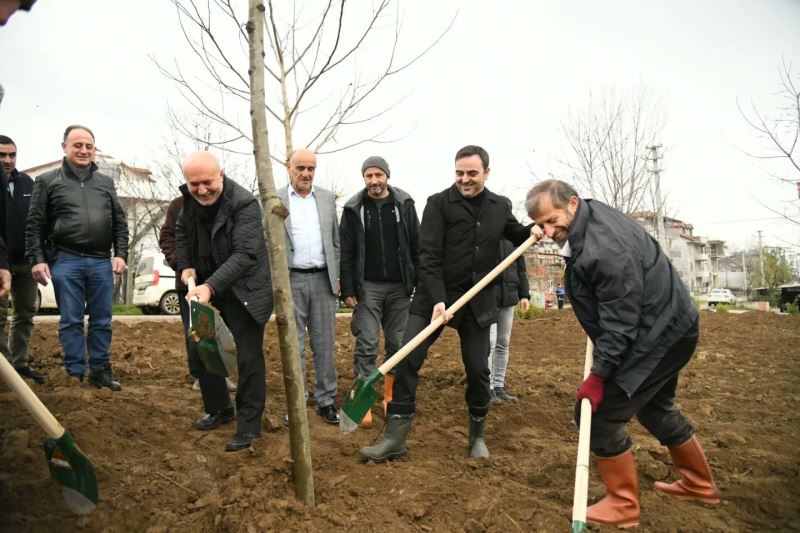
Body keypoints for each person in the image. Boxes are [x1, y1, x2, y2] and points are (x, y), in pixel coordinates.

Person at [526, 179, 720, 528]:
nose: (549, 231)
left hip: (655, 336)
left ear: (572, 203)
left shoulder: (603, 250)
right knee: (655, 407)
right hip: (670, 324)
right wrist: (547, 227)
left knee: (598, 415)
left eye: (553, 221)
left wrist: (599, 377)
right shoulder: (589, 215)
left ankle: (623, 504)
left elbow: (620, 324)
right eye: (541, 225)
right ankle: (699, 483)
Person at [359, 145, 542, 463]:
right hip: (434, 297)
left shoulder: (499, 206)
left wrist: (532, 230)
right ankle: (394, 439)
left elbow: (514, 232)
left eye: (472, 173)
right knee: (408, 359)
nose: (465, 179)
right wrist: (440, 299)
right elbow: (428, 256)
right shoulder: (438, 204)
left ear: (486, 172)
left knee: (477, 369)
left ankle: (478, 436)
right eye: (460, 173)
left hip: (477, 301)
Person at [175, 151, 273, 452]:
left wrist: (210, 287)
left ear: (221, 175)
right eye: (194, 184)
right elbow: (181, 232)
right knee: (202, 345)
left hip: (244, 289)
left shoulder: (243, 204)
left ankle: (249, 424)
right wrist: (186, 265)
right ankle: (219, 408)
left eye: (207, 182)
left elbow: (246, 254)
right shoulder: (189, 202)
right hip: (205, 282)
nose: (201, 190)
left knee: (247, 356)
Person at [26, 125, 128, 390]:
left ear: (94, 149)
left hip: (100, 261)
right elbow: (35, 224)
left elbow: (119, 221)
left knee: (102, 320)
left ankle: (100, 371)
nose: (84, 150)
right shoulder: (47, 181)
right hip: (66, 260)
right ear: (64, 147)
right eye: (78, 145)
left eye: (89, 146)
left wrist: (121, 254)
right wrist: (37, 258)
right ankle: (74, 373)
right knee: (71, 320)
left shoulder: (106, 183)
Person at [339, 156, 420, 426]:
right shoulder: (353, 209)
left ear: (387, 176)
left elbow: (416, 245)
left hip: (400, 287)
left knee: (398, 344)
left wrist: (419, 282)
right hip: (367, 287)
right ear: (364, 178)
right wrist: (348, 288)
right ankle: (362, 400)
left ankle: (390, 397)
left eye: (378, 175)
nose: (374, 181)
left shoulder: (404, 205)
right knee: (367, 343)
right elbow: (346, 251)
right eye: (369, 176)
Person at [277, 148, 340, 425]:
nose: (306, 174)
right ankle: (297, 401)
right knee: (295, 344)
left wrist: (338, 277)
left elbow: (335, 241)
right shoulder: (274, 199)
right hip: (290, 279)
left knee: (325, 343)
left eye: (310, 168)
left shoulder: (326, 199)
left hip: (324, 280)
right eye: (300, 168)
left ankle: (326, 400)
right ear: (288, 167)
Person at [159, 195, 235, 393]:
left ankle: (220, 374)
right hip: (189, 282)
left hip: (217, 280)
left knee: (219, 327)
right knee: (196, 330)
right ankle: (199, 375)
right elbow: (167, 237)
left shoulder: (222, 204)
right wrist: (181, 264)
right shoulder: (178, 205)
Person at [0, 135, 42, 383]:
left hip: (25, 262)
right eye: (2, 155)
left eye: (12, 155)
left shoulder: (28, 183)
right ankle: (4, 372)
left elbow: (37, 221)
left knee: (25, 313)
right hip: (0, 263)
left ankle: (19, 364)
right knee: (0, 317)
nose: (7, 160)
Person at [488, 236, 530, 404]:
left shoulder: (514, 237)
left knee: (503, 342)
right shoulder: (487, 230)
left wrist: (524, 294)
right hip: (488, 296)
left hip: (509, 295)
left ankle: (499, 385)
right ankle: (487, 387)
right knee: (489, 342)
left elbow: (521, 269)